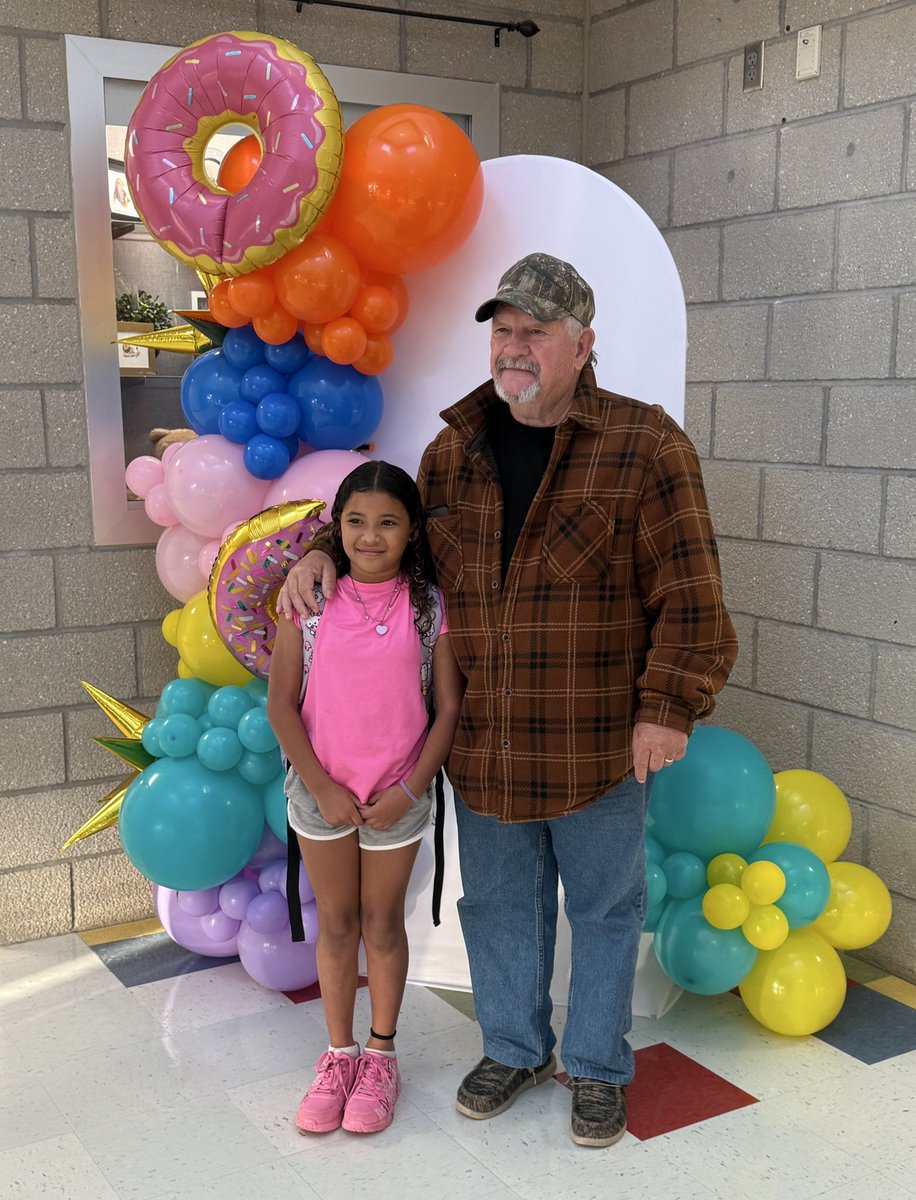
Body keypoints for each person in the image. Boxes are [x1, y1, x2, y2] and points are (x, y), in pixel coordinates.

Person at [279, 253, 737, 1147]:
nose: (514, 347)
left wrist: (668, 707)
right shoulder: (453, 452)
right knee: (495, 907)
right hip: (484, 743)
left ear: (582, 343)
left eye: (535, 331)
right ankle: (516, 1047)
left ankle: (599, 1066)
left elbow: (691, 596)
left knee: (603, 912)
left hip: (597, 741)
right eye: (504, 330)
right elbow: (388, 541)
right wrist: (315, 553)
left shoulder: (647, 447)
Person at [267, 460, 462, 1136]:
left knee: (382, 925)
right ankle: (338, 1053)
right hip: (322, 797)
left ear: (411, 531)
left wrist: (409, 787)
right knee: (338, 924)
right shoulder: (310, 604)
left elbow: (447, 708)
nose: (369, 536)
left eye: (387, 522)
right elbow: (281, 707)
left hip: (395, 798)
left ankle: (381, 1054)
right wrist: (321, 787)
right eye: (355, 521)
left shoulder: (430, 607)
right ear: (337, 528)